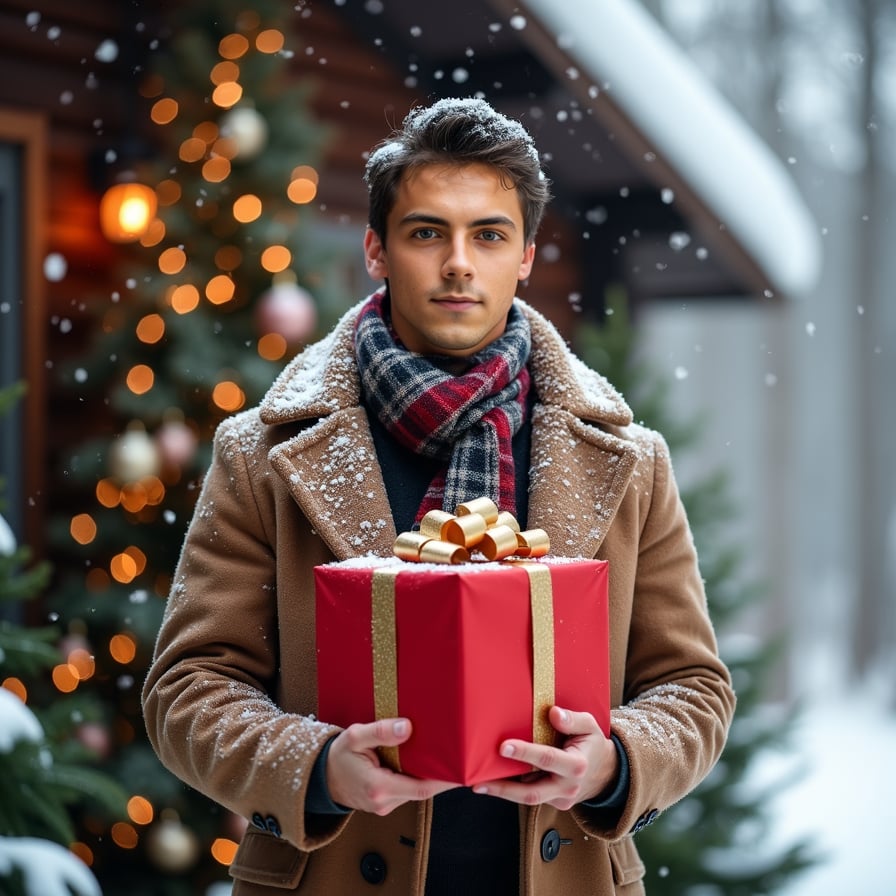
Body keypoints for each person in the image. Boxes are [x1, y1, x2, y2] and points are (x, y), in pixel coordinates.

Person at [142, 97, 735, 895]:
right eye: (427, 232)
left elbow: (694, 690)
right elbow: (187, 690)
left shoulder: (630, 461)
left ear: (525, 255)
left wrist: (616, 762)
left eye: (488, 234)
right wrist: (317, 767)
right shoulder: (261, 455)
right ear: (377, 250)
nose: (459, 262)